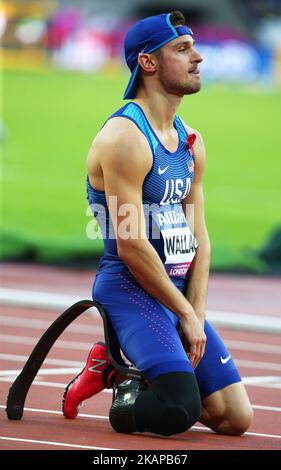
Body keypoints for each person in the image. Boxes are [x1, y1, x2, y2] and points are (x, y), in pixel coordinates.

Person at [62, 11, 253, 436]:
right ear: (148, 63)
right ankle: (113, 372)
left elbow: (200, 237)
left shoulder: (191, 141)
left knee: (235, 418)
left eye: (194, 47)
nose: (198, 57)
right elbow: (130, 246)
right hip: (131, 287)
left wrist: (195, 315)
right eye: (182, 49)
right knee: (175, 411)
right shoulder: (124, 138)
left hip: (177, 292)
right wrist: (183, 310)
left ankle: (127, 362)